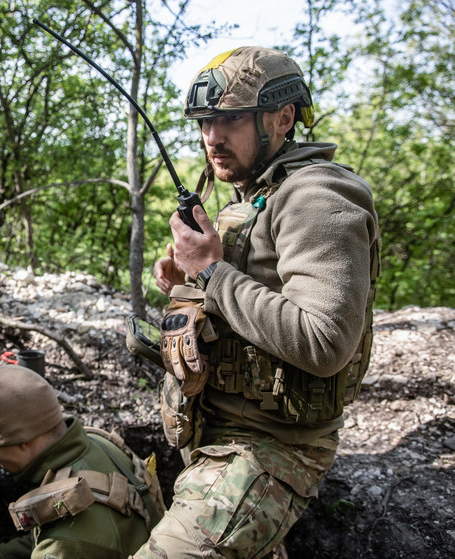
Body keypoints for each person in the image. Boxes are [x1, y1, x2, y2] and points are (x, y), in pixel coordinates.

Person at [135, 46, 380, 558]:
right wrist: (189, 277)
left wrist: (213, 273)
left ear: (283, 117)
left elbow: (325, 340)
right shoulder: (254, 194)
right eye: (205, 122)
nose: (212, 137)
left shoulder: (317, 196)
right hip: (215, 433)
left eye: (231, 119)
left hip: (269, 446)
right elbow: (252, 288)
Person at [0, 364, 164, 559]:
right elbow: (49, 538)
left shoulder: (66, 538)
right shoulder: (98, 442)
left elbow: (66, 541)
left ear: (24, 442)